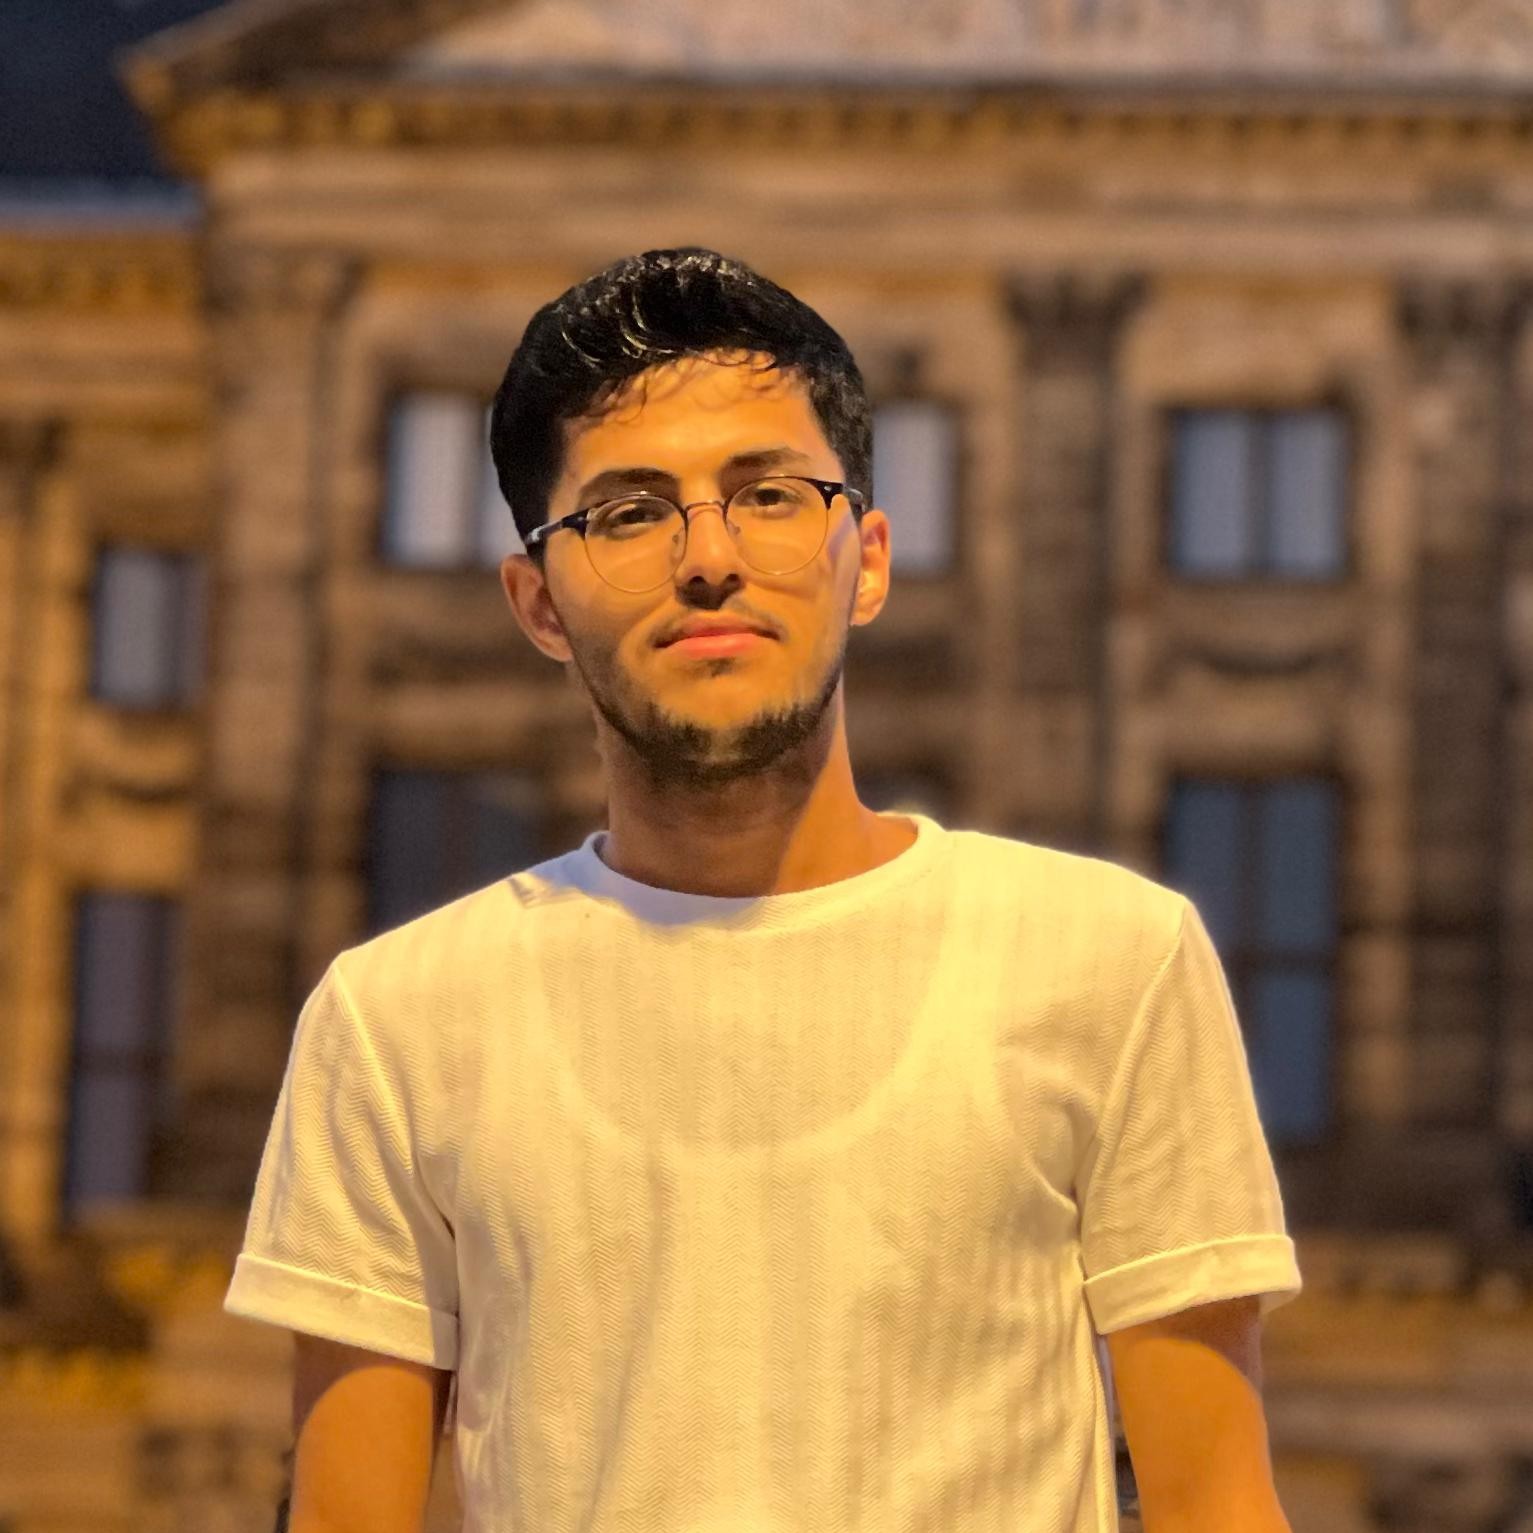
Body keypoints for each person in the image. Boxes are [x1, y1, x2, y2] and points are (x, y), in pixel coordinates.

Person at [224, 247, 1302, 1533]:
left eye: (769, 495)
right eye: (628, 513)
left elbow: (1218, 1509)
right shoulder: (392, 1020)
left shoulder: (1113, 959)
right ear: (537, 603)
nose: (709, 558)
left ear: (870, 558)